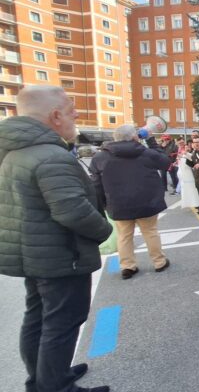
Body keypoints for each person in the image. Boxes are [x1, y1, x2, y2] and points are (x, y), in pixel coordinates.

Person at [0, 86, 112, 392]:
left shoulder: (14, 150)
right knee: (61, 323)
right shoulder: (51, 156)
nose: (76, 114)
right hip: (62, 256)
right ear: (55, 115)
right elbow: (73, 211)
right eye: (71, 107)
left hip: (34, 254)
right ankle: (56, 386)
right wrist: (104, 230)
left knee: (37, 319)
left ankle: (44, 379)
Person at [91, 125, 171, 279]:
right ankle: (159, 262)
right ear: (134, 137)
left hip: (118, 203)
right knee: (150, 232)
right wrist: (151, 140)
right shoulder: (145, 152)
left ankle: (128, 266)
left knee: (124, 235)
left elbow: (96, 184)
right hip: (147, 201)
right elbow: (165, 162)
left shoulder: (100, 157)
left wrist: (103, 204)